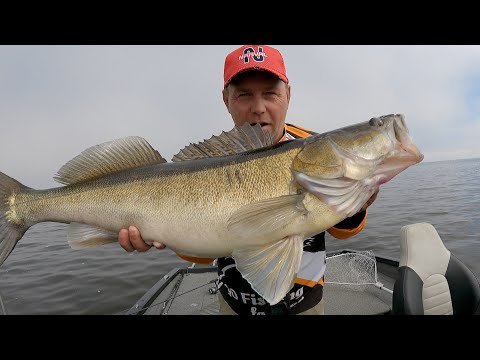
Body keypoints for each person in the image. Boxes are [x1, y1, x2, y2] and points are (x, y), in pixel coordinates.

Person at [118, 45, 379, 315]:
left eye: (270, 94)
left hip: (305, 304)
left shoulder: (317, 148)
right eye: (244, 95)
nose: (258, 108)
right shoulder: (206, 162)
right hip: (235, 304)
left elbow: (344, 230)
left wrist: (358, 203)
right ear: (226, 99)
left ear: (287, 94)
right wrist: (164, 234)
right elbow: (203, 252)